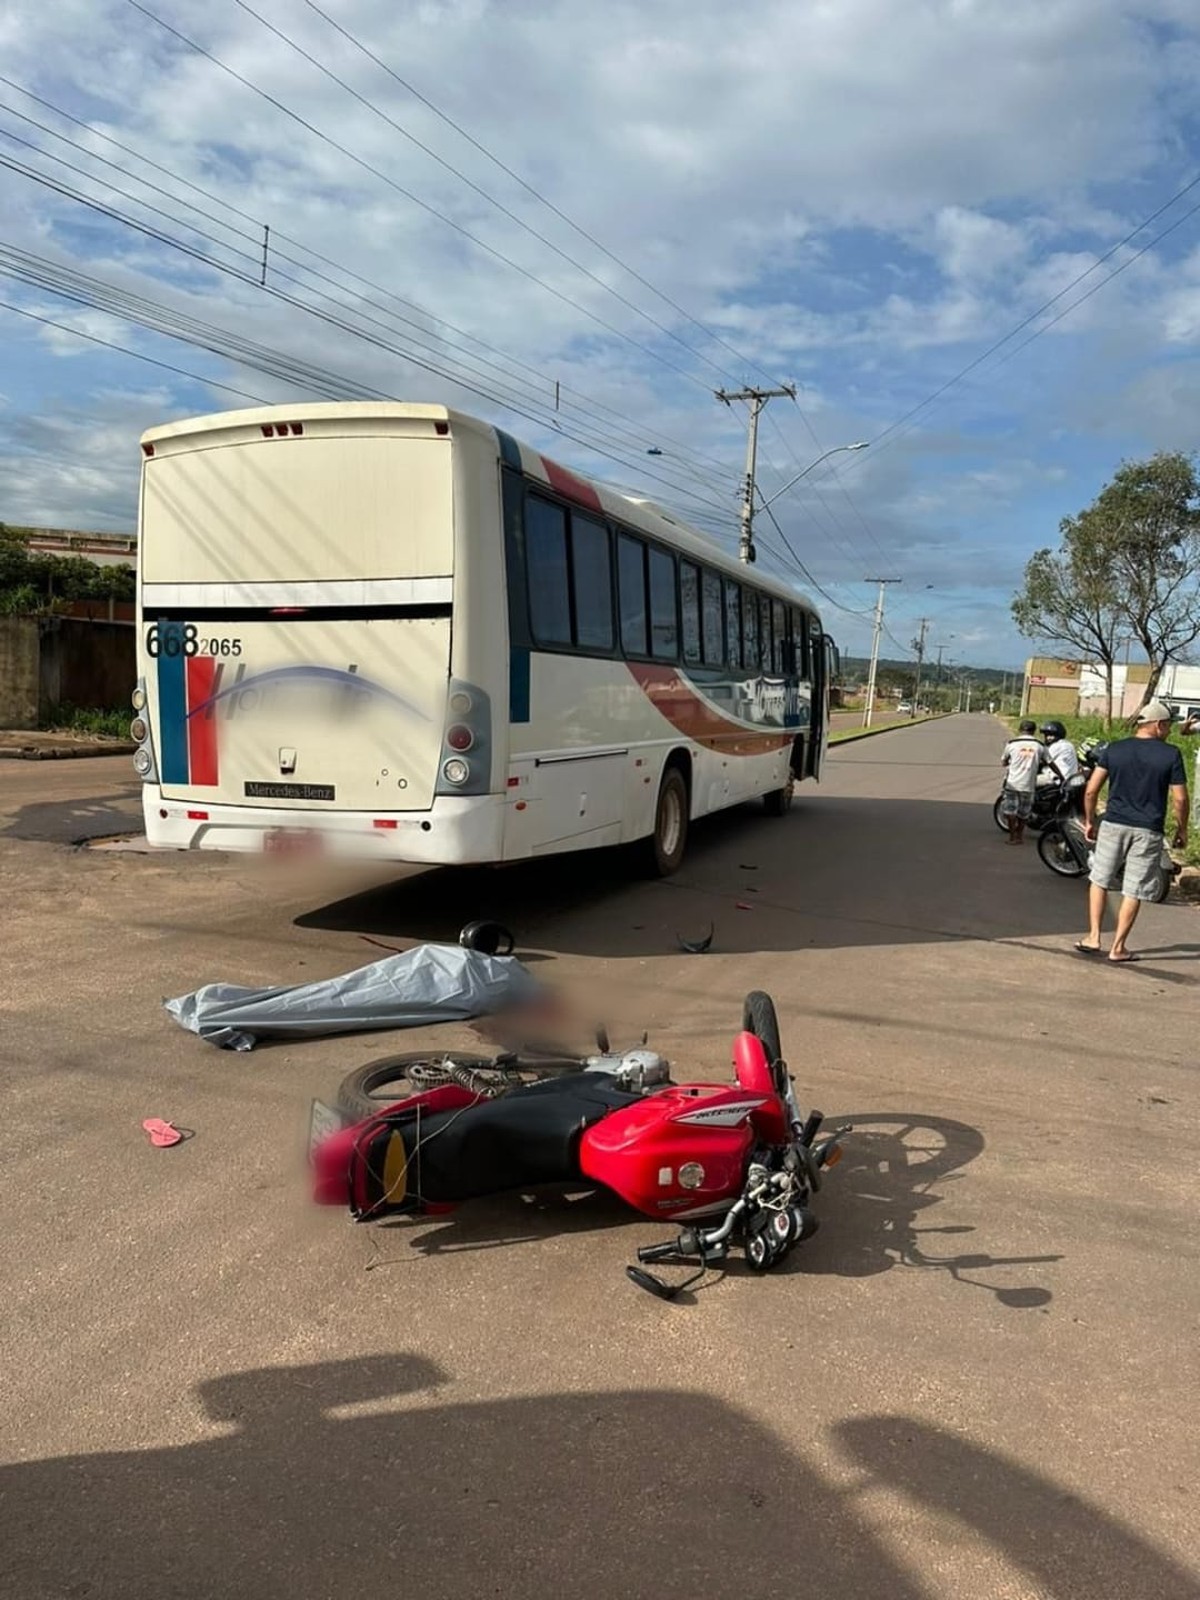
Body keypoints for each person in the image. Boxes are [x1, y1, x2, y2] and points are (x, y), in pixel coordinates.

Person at [1076, 700, 1189, 964]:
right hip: (1148, 829)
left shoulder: (1115, 749)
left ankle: (1093, 937)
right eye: (1169, 726)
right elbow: (1180, 800)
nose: (1170, 731)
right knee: (1133, 889)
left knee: (1099, 879)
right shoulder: (1170, 754)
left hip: (1113, 824)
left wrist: (1090, 820)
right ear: (1159, 725)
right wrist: (1181, 829)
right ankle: (1118, 947)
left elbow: (1092, 789)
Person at [999, 719, 1048, 845]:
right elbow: (1050, 762)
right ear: (1034, 731)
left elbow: (1004, 761)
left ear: (1020, 730)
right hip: (1029, 784)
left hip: (1012, 783)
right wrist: (1061, 776)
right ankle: (1020, 836)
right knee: (1024, 812)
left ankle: (1012, 837)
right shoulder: (1040, 745)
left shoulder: (1012, 744)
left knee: (1011, 811)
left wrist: (1008, 762)